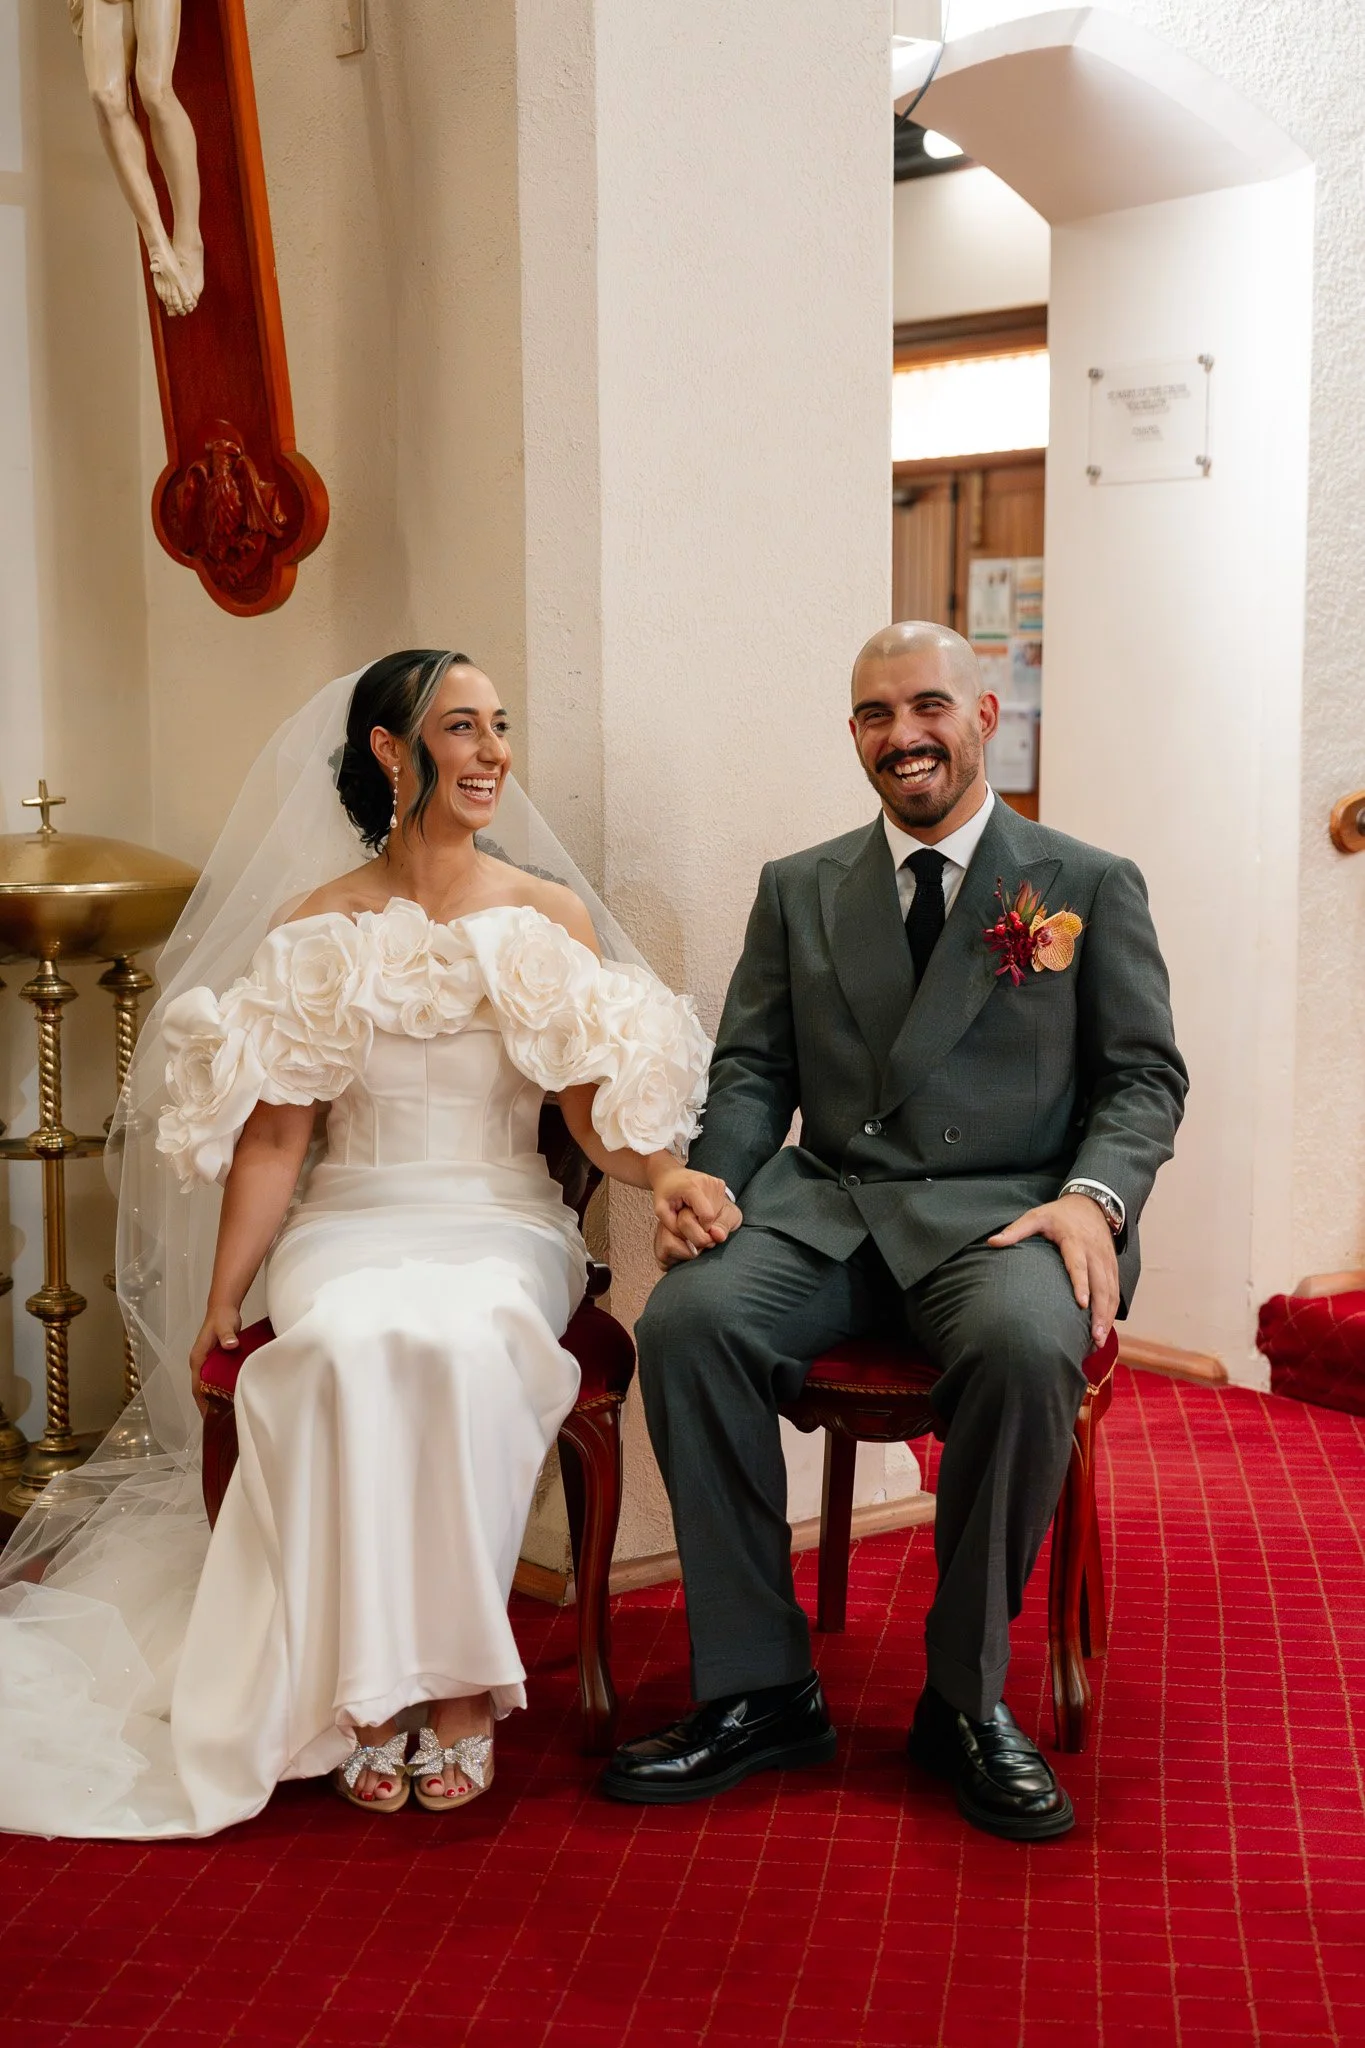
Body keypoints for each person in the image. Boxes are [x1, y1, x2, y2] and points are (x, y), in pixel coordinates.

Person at [0, 650, 722, 1837]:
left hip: (499, 1217)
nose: (493, 752)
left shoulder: (547, 917)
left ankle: (451, 1691)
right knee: (342, 1340)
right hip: (352, 1218)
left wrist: (666, 1168)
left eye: (500, 727)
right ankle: (369, 1694)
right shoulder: (314, 925)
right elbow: (280, 1139)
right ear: (392, 750)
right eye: (460, 728)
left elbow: (591, 1107)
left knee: (467, 1333)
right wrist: (227, 1293)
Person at [602, 622, 1188, 1841]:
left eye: (927, 706)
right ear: (855, 732)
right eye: (875, 714)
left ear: (983, 712)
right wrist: (712, 1181)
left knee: (1030, 1349)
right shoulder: (800, 885)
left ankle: (966, 1699)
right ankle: (763, 1687)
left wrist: (1096, 1197)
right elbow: (756, 1067)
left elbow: (1143, 1079)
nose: (903, 734)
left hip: (1011, 1219)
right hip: (834, 1208)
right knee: (690, 1320)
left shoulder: (1083, 882)